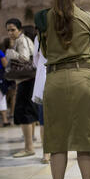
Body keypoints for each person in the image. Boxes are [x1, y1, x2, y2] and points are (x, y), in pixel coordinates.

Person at [37, 0, 90, 179]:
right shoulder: (87, 17)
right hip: (82, 78)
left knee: (57, 139)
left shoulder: (43, 19)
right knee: (85, 139)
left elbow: (45, 52)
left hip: (54, 80)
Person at [5, 18, 39, 157]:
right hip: (27, 80)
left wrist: (11, 54)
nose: (10, 33)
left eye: (13, 29)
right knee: (28, 111)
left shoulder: (22, 40)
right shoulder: (22, 40)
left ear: (20, 30)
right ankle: (29, 144)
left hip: (26, 80)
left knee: (23, 112)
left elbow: (25, 58)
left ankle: (28, 147)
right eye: (8, 30)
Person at [31, 34, 50, 164]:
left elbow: (35, 61)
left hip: (44, 78)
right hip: (60, 77)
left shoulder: (39, 37)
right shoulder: (63, 31)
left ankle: (46, 153)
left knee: (44, 120)